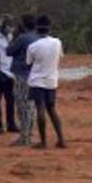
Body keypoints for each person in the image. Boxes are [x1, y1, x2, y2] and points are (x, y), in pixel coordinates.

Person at [26, 15, 66, 149]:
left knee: (40, 109)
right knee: (52, 109)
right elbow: (60, 56)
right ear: (49, 29)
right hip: (51, 80)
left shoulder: (33, 46)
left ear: (37, 30)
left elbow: (28, 63)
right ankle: (61, 139)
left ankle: (43, 142)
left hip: (37, 81)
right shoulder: (57, 42)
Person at [6, 14, 39, 146]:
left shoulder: (22, 38)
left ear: (23, 25)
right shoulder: (36, 36)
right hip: (33, 74)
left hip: (22, 75)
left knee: (22, 105)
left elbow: (8, 51)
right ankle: (29, 134)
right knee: (31, 106)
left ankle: (24, 137)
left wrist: (13, 37)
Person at [0, 15, 18, 135]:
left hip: (10, 72)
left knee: (10, 100)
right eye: (9, 27)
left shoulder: (10, 36)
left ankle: (11, 124)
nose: (10, 30)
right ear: (3, 26)